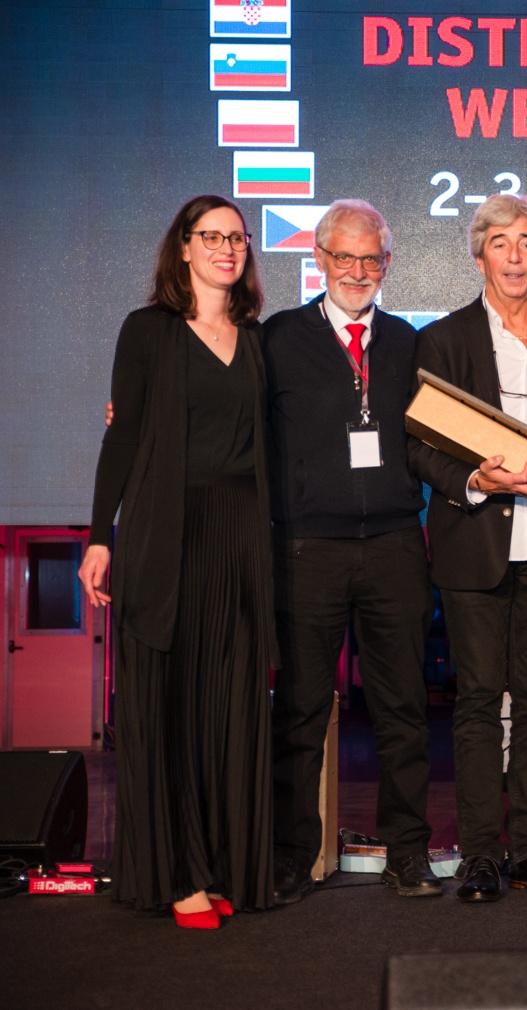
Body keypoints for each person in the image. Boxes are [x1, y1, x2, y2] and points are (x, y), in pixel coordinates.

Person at [78, 195, 276, 928]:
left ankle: (218, 864)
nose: (227, 248)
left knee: (227, 707)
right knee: (171, 709)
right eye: (211, 236)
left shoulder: (256, 339)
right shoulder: (148, 331)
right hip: (167, 534)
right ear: (183, 248)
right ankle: (178, 875)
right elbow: (123, 436)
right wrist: (100, 536)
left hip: (240, 536)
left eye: (237, 238)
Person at [408, 194, 527, 902]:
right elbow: (420, 445)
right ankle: (482, 855)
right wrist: (474, 481)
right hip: (475, 542)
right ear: (478, 254)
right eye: (500, 243)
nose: (514, 256)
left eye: (526, 242)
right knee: (480, 701)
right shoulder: (445, 338)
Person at [263, 200, 440, 904]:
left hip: (395, 545)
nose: (358, 271)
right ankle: (292, 857)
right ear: (319, 259)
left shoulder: (406, 342)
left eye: (371, 259)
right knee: (301, 709)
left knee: (403, 709)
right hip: (307, 549)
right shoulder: (278, 339)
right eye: (345, 257)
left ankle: (408, 854)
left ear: (387, 264)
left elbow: (434, 436)